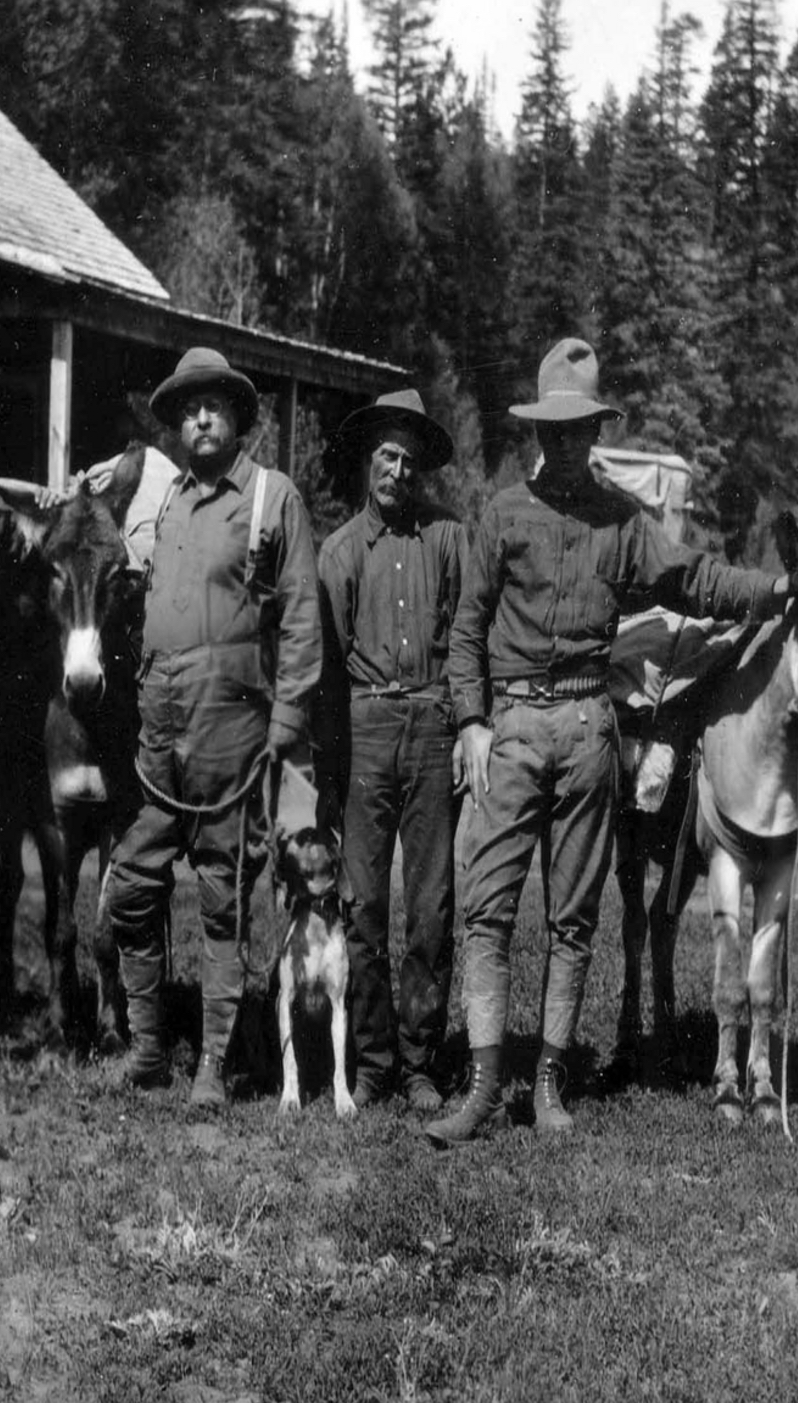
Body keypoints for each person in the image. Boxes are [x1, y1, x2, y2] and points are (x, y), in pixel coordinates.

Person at [432, 338, 798, 1144]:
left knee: (574, 917)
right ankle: (481, 1090)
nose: (565, 444)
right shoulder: (502, 514)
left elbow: (696, 580)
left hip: (586, 729)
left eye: (579, 430)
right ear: (537, 432)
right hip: (510, 728)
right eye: (553, 430)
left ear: (595, 432)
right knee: (490, 910)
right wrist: (470, 720)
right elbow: (466, 626)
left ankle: (548, 1089)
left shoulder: (621, 520)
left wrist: (777, 589)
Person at [96, 347, 322, 1105]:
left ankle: (212, 1071)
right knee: (128, 887)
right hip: (161, 741)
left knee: (223, 906)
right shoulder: (165, 507)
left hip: (233, 739)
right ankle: (150, 1049)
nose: (199, 417)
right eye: (188, 406)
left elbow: (298, 617)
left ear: (236, 416)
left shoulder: (270, 497)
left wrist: (287, 719)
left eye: (214, 405)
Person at [316, 389, 463, 1112]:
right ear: (367, 462)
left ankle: (419, 1061)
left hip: (434, 726)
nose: (398, 473)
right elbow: (328, 667)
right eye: (387, 457)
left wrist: (468, 721)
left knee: (432, 907)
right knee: (363, 904)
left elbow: (469, 640)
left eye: (409, 461)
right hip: (367, 727)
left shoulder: (448, 541)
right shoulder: (339, 553)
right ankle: (372, 1060)